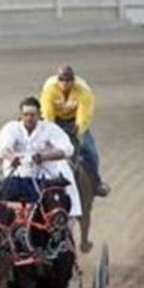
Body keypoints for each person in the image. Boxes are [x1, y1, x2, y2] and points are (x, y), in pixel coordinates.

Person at [0, 96, 81, 218]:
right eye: (26, 114)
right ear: (21, 115)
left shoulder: (50, 129)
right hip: (15, 178)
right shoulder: (11, 128)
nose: (29, 118)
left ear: (39, 115)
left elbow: (68, 149)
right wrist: (12, 157)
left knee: (59, 200)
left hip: (44, 180)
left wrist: (43, 157)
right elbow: (4, 147)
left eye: (32, 115)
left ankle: (65, 223)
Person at [40, 64, 107, 197]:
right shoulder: (49, 90)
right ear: (57, 79)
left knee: (88, 147)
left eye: (68, 80)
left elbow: (84, 114)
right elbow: (47, 113)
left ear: (73, 80)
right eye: (61, 79)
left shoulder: (83, 91)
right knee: (42, 146)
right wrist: (51, 132)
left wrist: (78, 129)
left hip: (74, 121)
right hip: (55, 120)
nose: (64, 83)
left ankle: (96, 182)